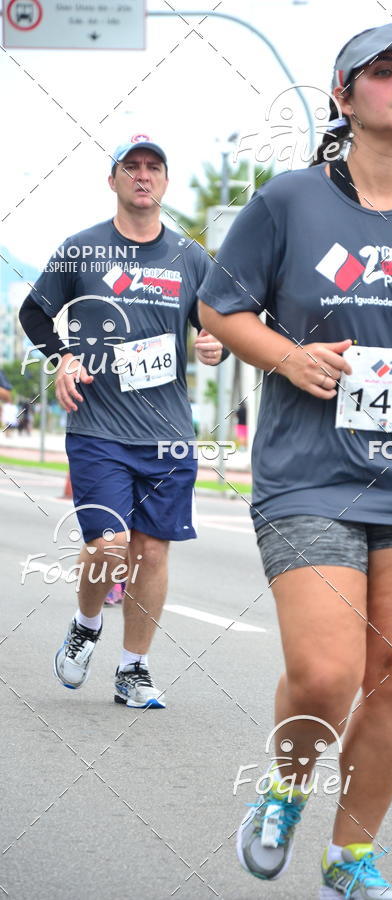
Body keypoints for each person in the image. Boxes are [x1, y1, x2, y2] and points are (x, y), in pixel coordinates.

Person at [199, 24, 392, 897]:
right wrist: (290, 358)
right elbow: (222, 310)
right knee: (330, 670)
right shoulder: (290, 202)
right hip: (309, 475)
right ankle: (286, 789)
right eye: (386, 72)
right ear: (345, 96)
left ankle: (352, 859)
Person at [19, 135, 226, 709]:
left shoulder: (189, 257)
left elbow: (220, 324)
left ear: (165, 181)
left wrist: (215, 344)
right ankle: (87, 625)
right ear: (112, 181)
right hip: (98, 428)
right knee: (109, 546)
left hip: (167, 433)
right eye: (130, 167)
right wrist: (60, 355)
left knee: (152, 553)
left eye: (152, 167)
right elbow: (34, 310)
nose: (142, 175)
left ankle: (133, 669)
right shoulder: (82, 250)